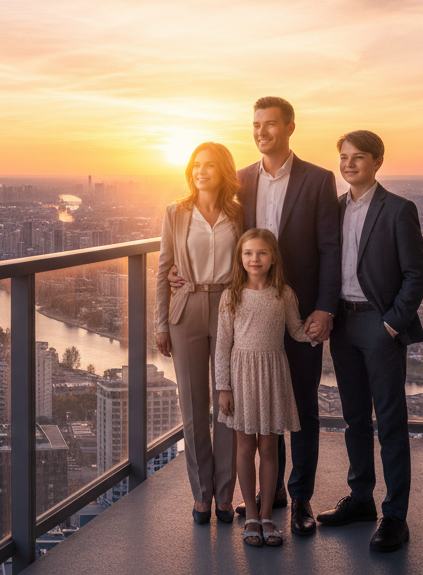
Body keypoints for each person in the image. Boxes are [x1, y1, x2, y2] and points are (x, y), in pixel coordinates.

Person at [174, 96, 340, 536]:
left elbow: (329, 249)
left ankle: (300, 495)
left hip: (297, 312)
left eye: (270, 124)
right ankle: (270, 498)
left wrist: (324, 307)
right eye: (255, 125)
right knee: (257, 409)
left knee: (301, 404)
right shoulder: (241, 181)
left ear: (289, 127)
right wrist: (182, 270)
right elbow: (217, 237)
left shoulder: (319, 180)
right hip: (247, 313)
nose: (261, 131)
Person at [314, 130, 423, 552]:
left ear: (378, 161)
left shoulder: (399, 210)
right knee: (355, 418)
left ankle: (395, 515)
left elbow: (418, 274)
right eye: (343, 157)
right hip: (341, 323)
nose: (348, 164)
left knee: (391, 425)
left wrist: (391, 325)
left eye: (358, 157)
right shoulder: (333, 209)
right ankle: (361, 499)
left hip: (379, 327)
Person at [155, 142, 243, 524]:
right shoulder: (176, 213)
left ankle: (225, 495)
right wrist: (161, 322)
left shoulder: (239, 213)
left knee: (228, 404)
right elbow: (163, 269)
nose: (201, 171)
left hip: (229, 308)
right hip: (186, 309)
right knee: (192, 409)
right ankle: (201, 495)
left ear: (223, 170)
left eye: (209, 165)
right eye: (195, 165)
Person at [216, 228, 318, 547]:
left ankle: (267, 516)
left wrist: (320, 331)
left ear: (273, 257)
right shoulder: (230, 295)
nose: (254, 259)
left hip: (273, 374)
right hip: (241, 375)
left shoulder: (283, 293)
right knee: (245, 449)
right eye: (248, 253)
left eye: (261, 253)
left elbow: (296, 330)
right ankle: (249, 518)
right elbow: (222, 345)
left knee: (269, 449)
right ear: (240, 258)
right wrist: (223, 387)